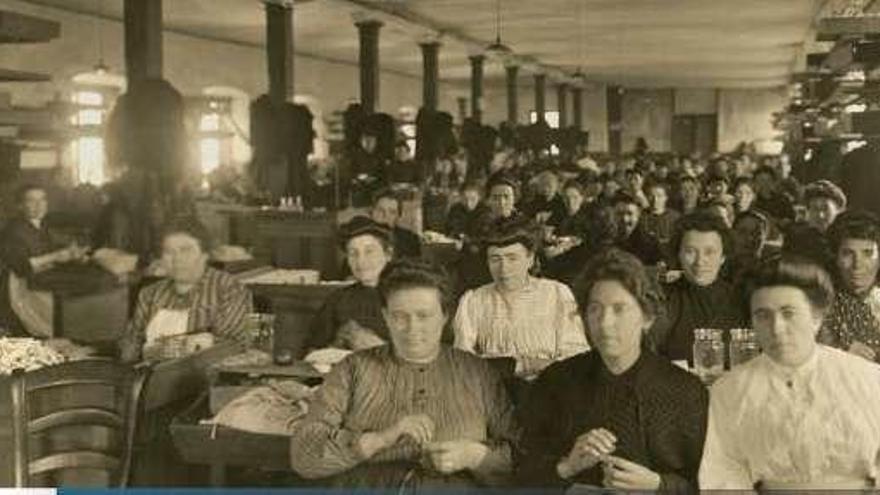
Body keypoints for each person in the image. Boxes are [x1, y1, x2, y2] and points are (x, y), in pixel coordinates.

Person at [290, 260, 517, 489]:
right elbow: (304, 457)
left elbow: (520, 457)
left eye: (424, 315)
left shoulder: (478, 373)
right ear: (386, 316)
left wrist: (474, 456)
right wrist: (380, 439)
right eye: (400, 316)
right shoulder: (352, 369)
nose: (412, 328)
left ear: (445, 316)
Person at [518, 248, 708, 491]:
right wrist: (566, 467)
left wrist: (659, 485)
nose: (605, 323)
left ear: (647, 317)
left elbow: (712, 483)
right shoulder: (556, 382)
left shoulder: (685, 391)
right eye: (595, 309)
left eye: (619, 309)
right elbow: (520, 476)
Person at [699, 255, 880, 490]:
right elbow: (723, 473)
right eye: (763, 316)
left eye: (789, 313)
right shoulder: (731, 389)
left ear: (816, 317)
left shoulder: (868, 379)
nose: (776, 328)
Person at [453, 218, 589, 380]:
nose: (504, 269)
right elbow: (463, 362)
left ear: (530, 259)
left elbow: (576, 357)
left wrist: (515, 366)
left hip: (549, 390)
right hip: (493, 391)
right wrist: (527, 365)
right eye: (495, 259)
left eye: (512, 258)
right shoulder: (474, 300)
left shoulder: (557, 294)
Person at [119, 216, 252, 362]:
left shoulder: (229, 289)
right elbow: (130, 349)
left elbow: (231, 346)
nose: (177, 259)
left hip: (209, 379)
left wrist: (157, 350)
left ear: (204, 254)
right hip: (155, 378)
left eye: (186, 250)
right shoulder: (150, 294)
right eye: (169, 252)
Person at [656, 212, 747, 364]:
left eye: (709, 252)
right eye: (690, 251)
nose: (700, 262)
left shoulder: (742, 299)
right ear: (678, 254)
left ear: (723, 257)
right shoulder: (663, 299)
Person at [0, 185, 88, 336]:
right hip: (18, 289)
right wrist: (56, 256)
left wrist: (72, 255)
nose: (39, 205)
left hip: (38, 283)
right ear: (20, 205)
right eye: (31, 201)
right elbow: (21, 266)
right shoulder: (13, 230)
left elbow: (49, 252)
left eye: (42, 200)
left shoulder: (41, 226)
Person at [307, 216, 394, 353]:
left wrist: (378, 348)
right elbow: (311, 351)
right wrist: (336, 344)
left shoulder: (409, 297)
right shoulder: (337, 300)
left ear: (388, 254)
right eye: (353, 253)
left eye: (369, 251)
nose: (361, 261)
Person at [820, 211, 880, 362]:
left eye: (868, 253)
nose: (857, 264)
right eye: (848, 253)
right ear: (835, 258)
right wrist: (838, 349)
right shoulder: (818, 301)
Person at [612, 192, 663, 266]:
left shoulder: (650, 244)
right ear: (613, 215)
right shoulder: (604, 242)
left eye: (630, 214)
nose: (625, 219)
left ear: (638, 216)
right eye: (619, 214)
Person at [371, 189, 421, 259]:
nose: (385, 216)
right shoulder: (357, 236)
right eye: (380, 210)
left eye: (392, 212)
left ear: (398, 216)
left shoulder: (410, 240)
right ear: (371, 212)